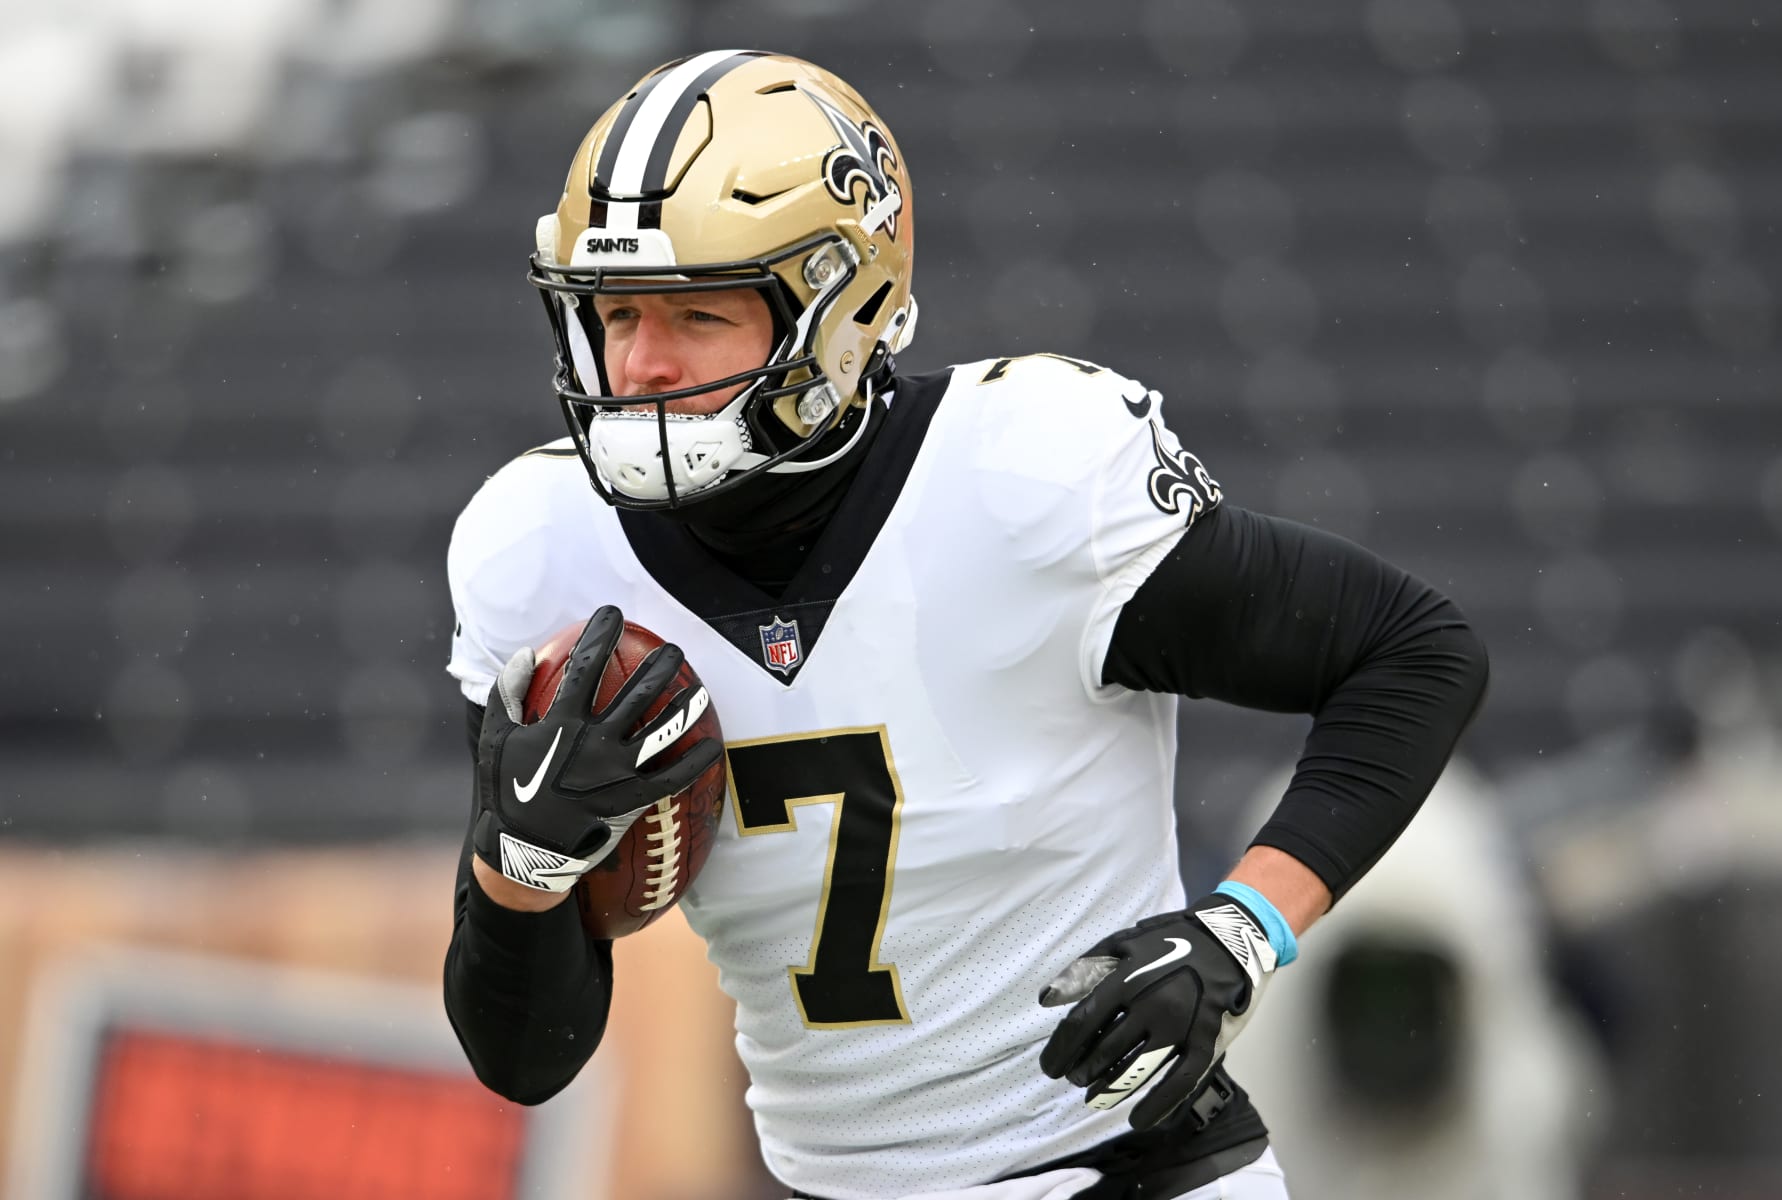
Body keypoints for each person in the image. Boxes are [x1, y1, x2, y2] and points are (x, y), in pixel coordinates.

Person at [441, 49, 1488, 1200]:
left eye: (697, 312)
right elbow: (525, 1060)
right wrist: (522, 867)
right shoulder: (542, 551)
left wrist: (1245, 929)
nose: (640, 363)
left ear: (843, 307)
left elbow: (1411, 649)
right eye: (616, 312)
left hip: (1131, 1175)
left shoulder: (1023, 475)